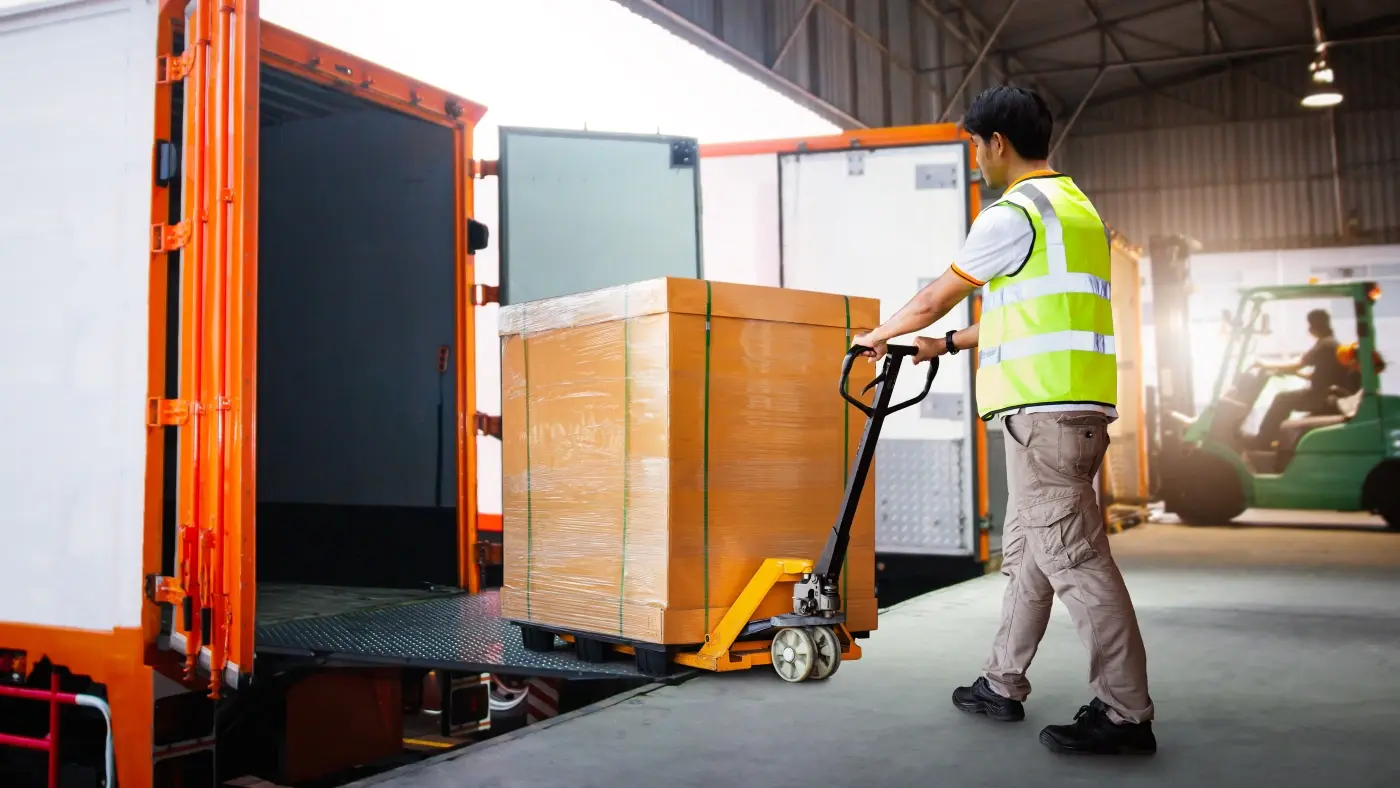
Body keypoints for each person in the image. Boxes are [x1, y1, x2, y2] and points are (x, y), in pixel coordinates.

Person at [851, 85, 1155, 755]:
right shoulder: (1074, 208)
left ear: (997, 142)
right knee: (1029, 557)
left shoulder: (1013, 212)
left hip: (1045, 419)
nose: (976, 159)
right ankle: (1001, 682)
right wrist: (944, 345)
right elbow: (1027, 316)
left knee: (1076, 561)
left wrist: (879, 334)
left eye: (975, 145)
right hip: (1064, 413)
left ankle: (1125, 713)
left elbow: (936, 295)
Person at [1253, 309, 1349, 449]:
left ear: (1314, 326)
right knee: (1286, 398)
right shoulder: (1331, 343)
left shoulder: (1325, 344)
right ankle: (1271, 440)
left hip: (1321, 395)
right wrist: (1295, 374)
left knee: (1282, 399)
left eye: (1310, 325)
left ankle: (1262, 442)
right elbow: (1321, 375)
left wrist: (1264, 364)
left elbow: (1298, 363)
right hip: (1325, 392)